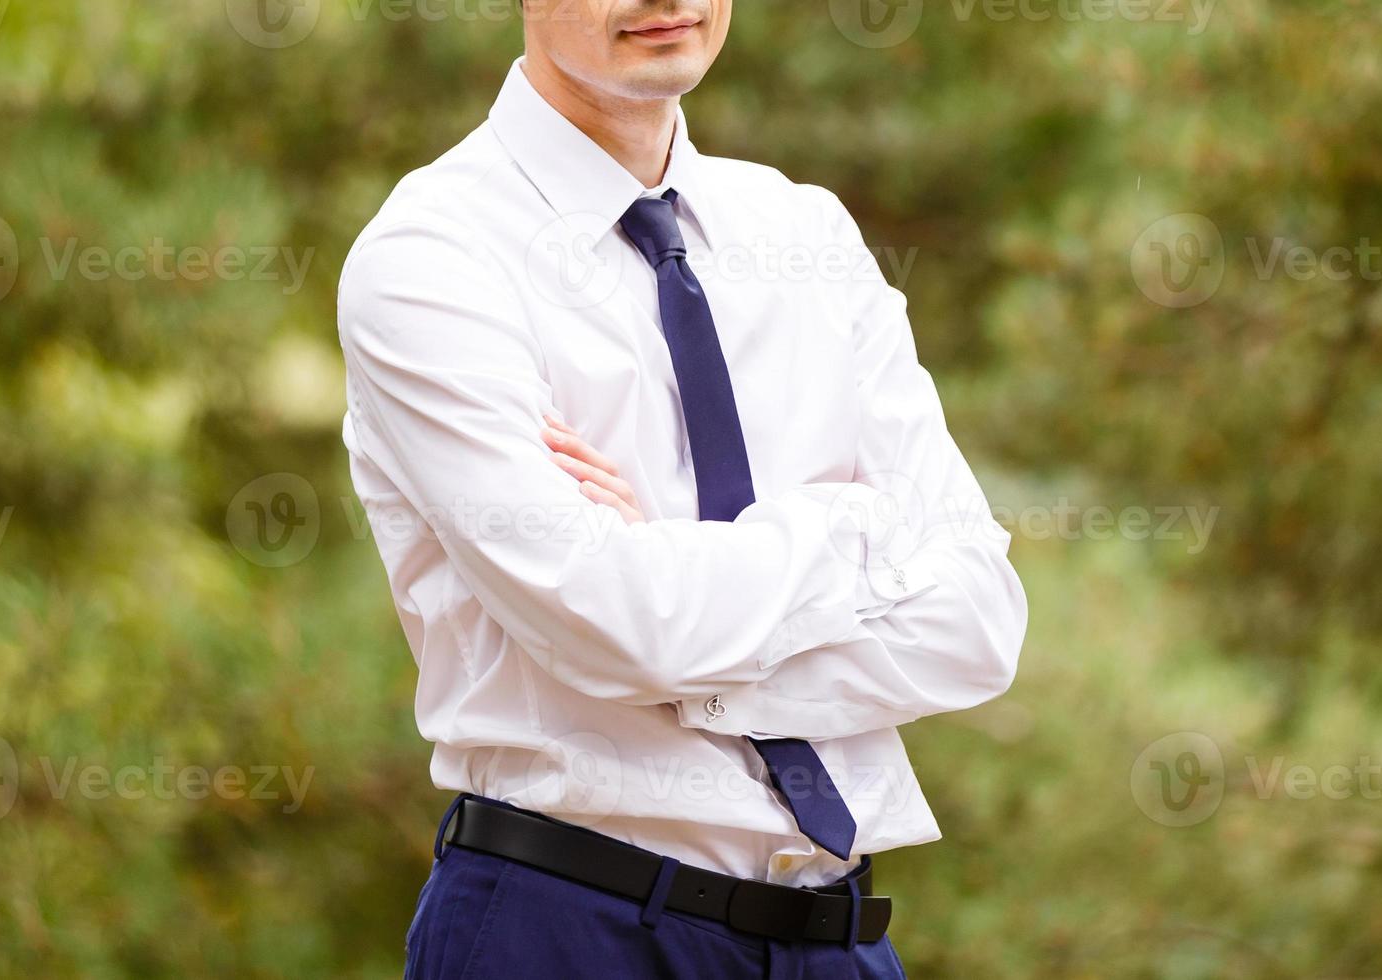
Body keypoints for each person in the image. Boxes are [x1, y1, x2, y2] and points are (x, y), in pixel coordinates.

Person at [336, 2, 1029, 975]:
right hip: (568, 929)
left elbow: (978, 623)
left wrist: (665, 569)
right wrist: (857, 534)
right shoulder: (431, 260)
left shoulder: (805, 233)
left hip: (838, 940)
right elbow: (615, 619)